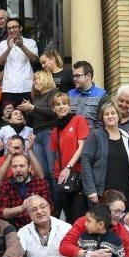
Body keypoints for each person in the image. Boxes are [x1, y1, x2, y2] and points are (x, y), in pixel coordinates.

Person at [81, 100, 129, 210]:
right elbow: (85, 161)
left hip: (126, 191)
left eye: (113, 113)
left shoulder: (127, 137)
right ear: (102, 118)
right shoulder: (95, 135)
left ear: (118, 115)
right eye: (106, 114)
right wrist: (91, 190)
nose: (110, 116)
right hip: (103, 192)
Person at [50, 92, 90, 222]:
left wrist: (68, 167)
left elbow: (82, 147)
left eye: (64, 103)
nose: (61, 107)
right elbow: (57, 153)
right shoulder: (55, 130)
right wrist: (62, 172)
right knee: (67, 216)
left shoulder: (78, 120)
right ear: (53, 108)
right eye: (58, 104)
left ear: (69, 105)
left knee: (78, 214)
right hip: (61, 176)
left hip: (76, 173)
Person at [22, 69, 59, 191]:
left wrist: (33, 107)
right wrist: (28, 112)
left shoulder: (54, 92)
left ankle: (58, 206)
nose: (34, 83)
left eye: (36, 79)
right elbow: (31, 121)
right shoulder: (36, 97)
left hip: (50, 133)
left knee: (54, 172)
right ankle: (48, 201)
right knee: (42, 173)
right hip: (37, 135)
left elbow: (54, 113)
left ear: (44, 78)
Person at [0, 154, 52, 229]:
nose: (18, 170)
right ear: (11, 168)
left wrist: (37, 202)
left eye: (22, 166)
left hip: (39, 224)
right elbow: (0, 213)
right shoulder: (5, 185)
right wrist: (21, 208)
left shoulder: (40, 182)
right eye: (15, 166)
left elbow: (50, 207)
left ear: (29, 168)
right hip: (15, 228)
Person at [0, 17, 38, 106]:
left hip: (27, 86)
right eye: (9, 28)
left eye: (14, 27)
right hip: (9, 87)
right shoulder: (2, 44)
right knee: (9, 115)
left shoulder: (30, 42)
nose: (12, 30)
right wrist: (8, 48)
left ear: (20, 28)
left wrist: (22, 46)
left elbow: (34, 59)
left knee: (28, 115)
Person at [68, 61, 108, 130]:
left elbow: (102, 123)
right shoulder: (69, 94)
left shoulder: (102, 95)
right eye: (74, 76)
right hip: (71, 138)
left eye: (77, 76)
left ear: (88, 76)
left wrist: (93, 138)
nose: (74, 79)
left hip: (91, 138)